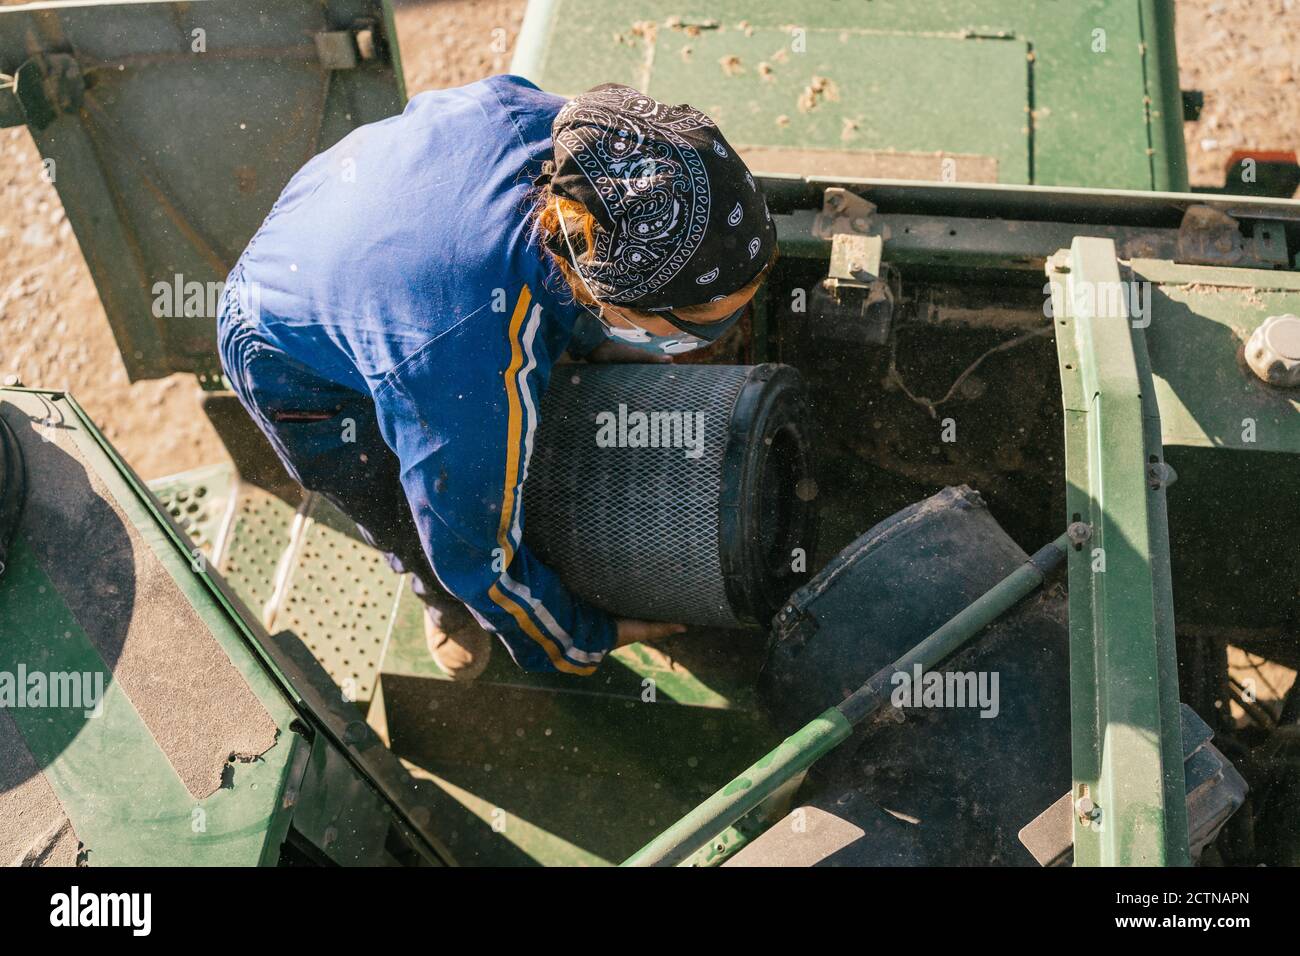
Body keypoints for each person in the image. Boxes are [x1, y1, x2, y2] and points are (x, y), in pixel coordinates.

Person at [216, 77, 776, 680]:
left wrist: (592, 340)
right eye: (698, 326)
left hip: (359, 214)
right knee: (404, 508)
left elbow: (550, 252)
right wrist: (578, 640)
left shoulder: (586, 142)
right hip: (284, 347)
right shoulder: (463, 367)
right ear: (614, 300)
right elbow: (474, 549)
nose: (710, 339)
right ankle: (442, 605)